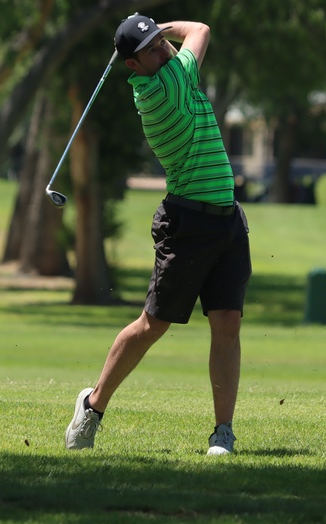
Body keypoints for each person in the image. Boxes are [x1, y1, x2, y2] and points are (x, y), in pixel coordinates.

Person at [65, 14, 252, 455]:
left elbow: (192, 38)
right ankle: (92, 405)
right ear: (133, 66)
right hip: (188, 224)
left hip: (226, 218)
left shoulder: (167, 72)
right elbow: (201, 30)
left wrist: (151, 31)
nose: (161, 51)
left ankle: (223, 432)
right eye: (149, 50)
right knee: (153, 324)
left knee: (228, 322)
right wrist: (165, 27)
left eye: (159, 43)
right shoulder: (164, 86)